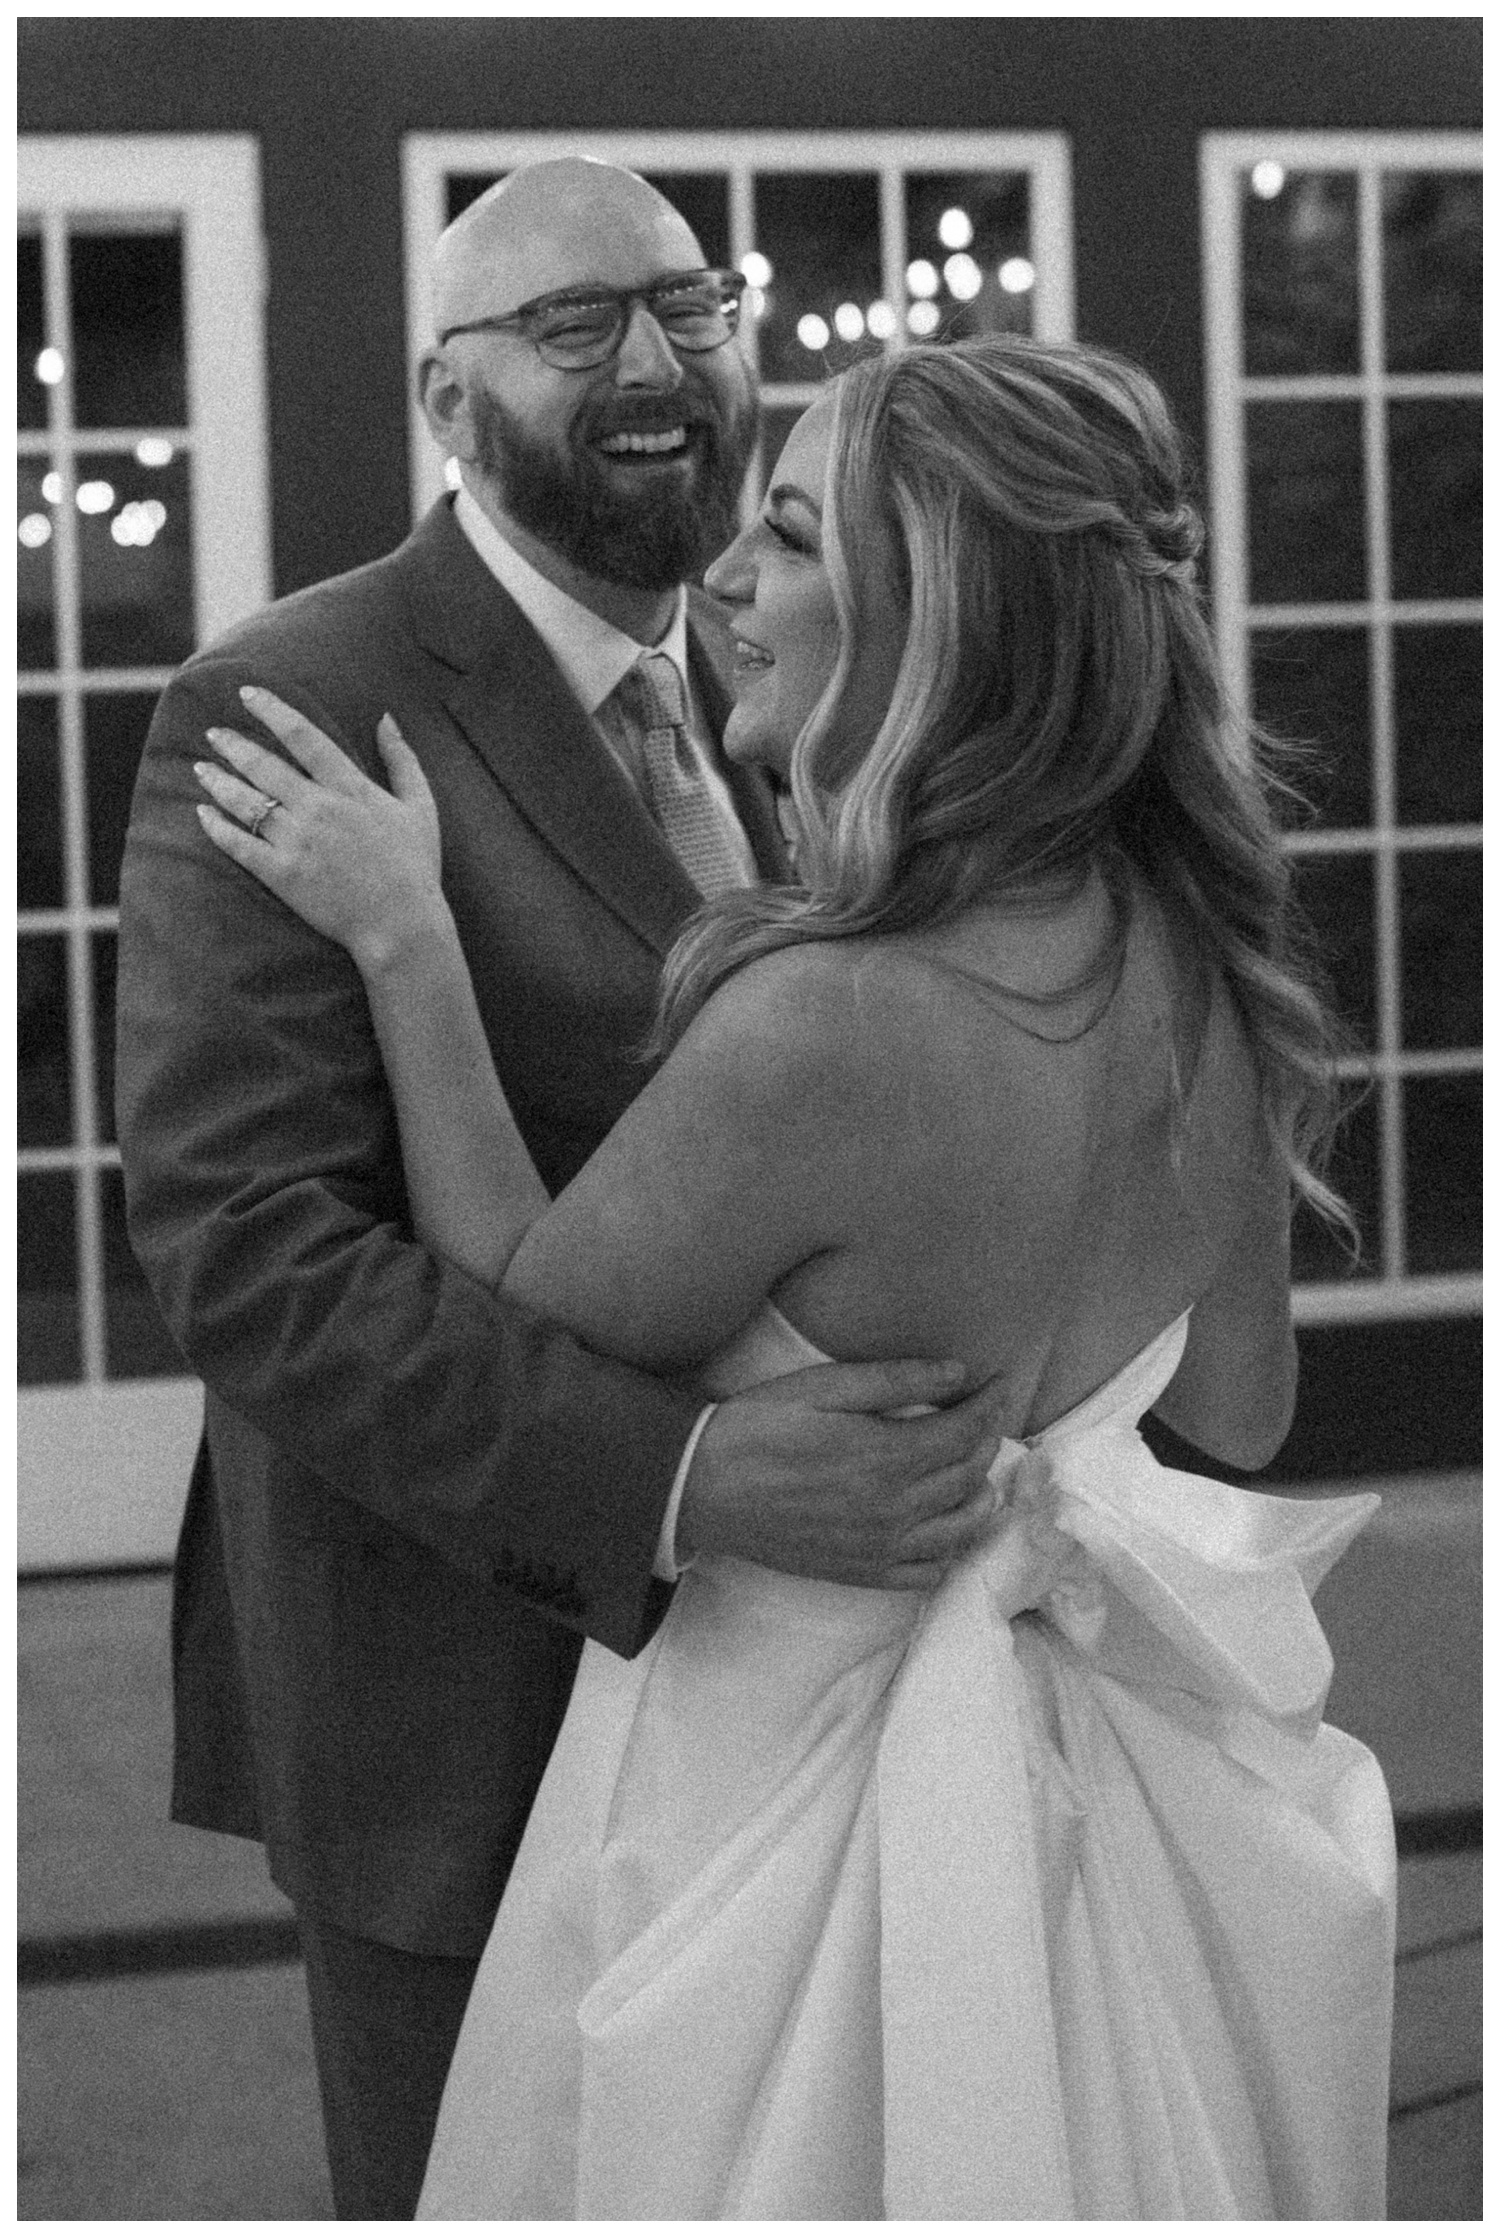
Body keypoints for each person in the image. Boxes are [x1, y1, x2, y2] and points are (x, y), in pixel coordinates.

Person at [192, 333, 1397, 2220]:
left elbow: (515, 1297)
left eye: (787, 542)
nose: (725, 588)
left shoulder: (826, 1024)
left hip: (778, 1794)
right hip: (1104, 1784)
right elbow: (1239, 1406)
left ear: (933, 616)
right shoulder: (1208, 974)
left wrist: (410, 944)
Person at [114, 161, 1011, 2222]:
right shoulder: (296, 702)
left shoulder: (790, 679)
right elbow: (256, 1266)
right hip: (461, 1705)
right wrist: (689, 1479)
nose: (661, 363)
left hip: (807, 1689)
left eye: (692, 308)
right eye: (576, 323)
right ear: (448, 398)